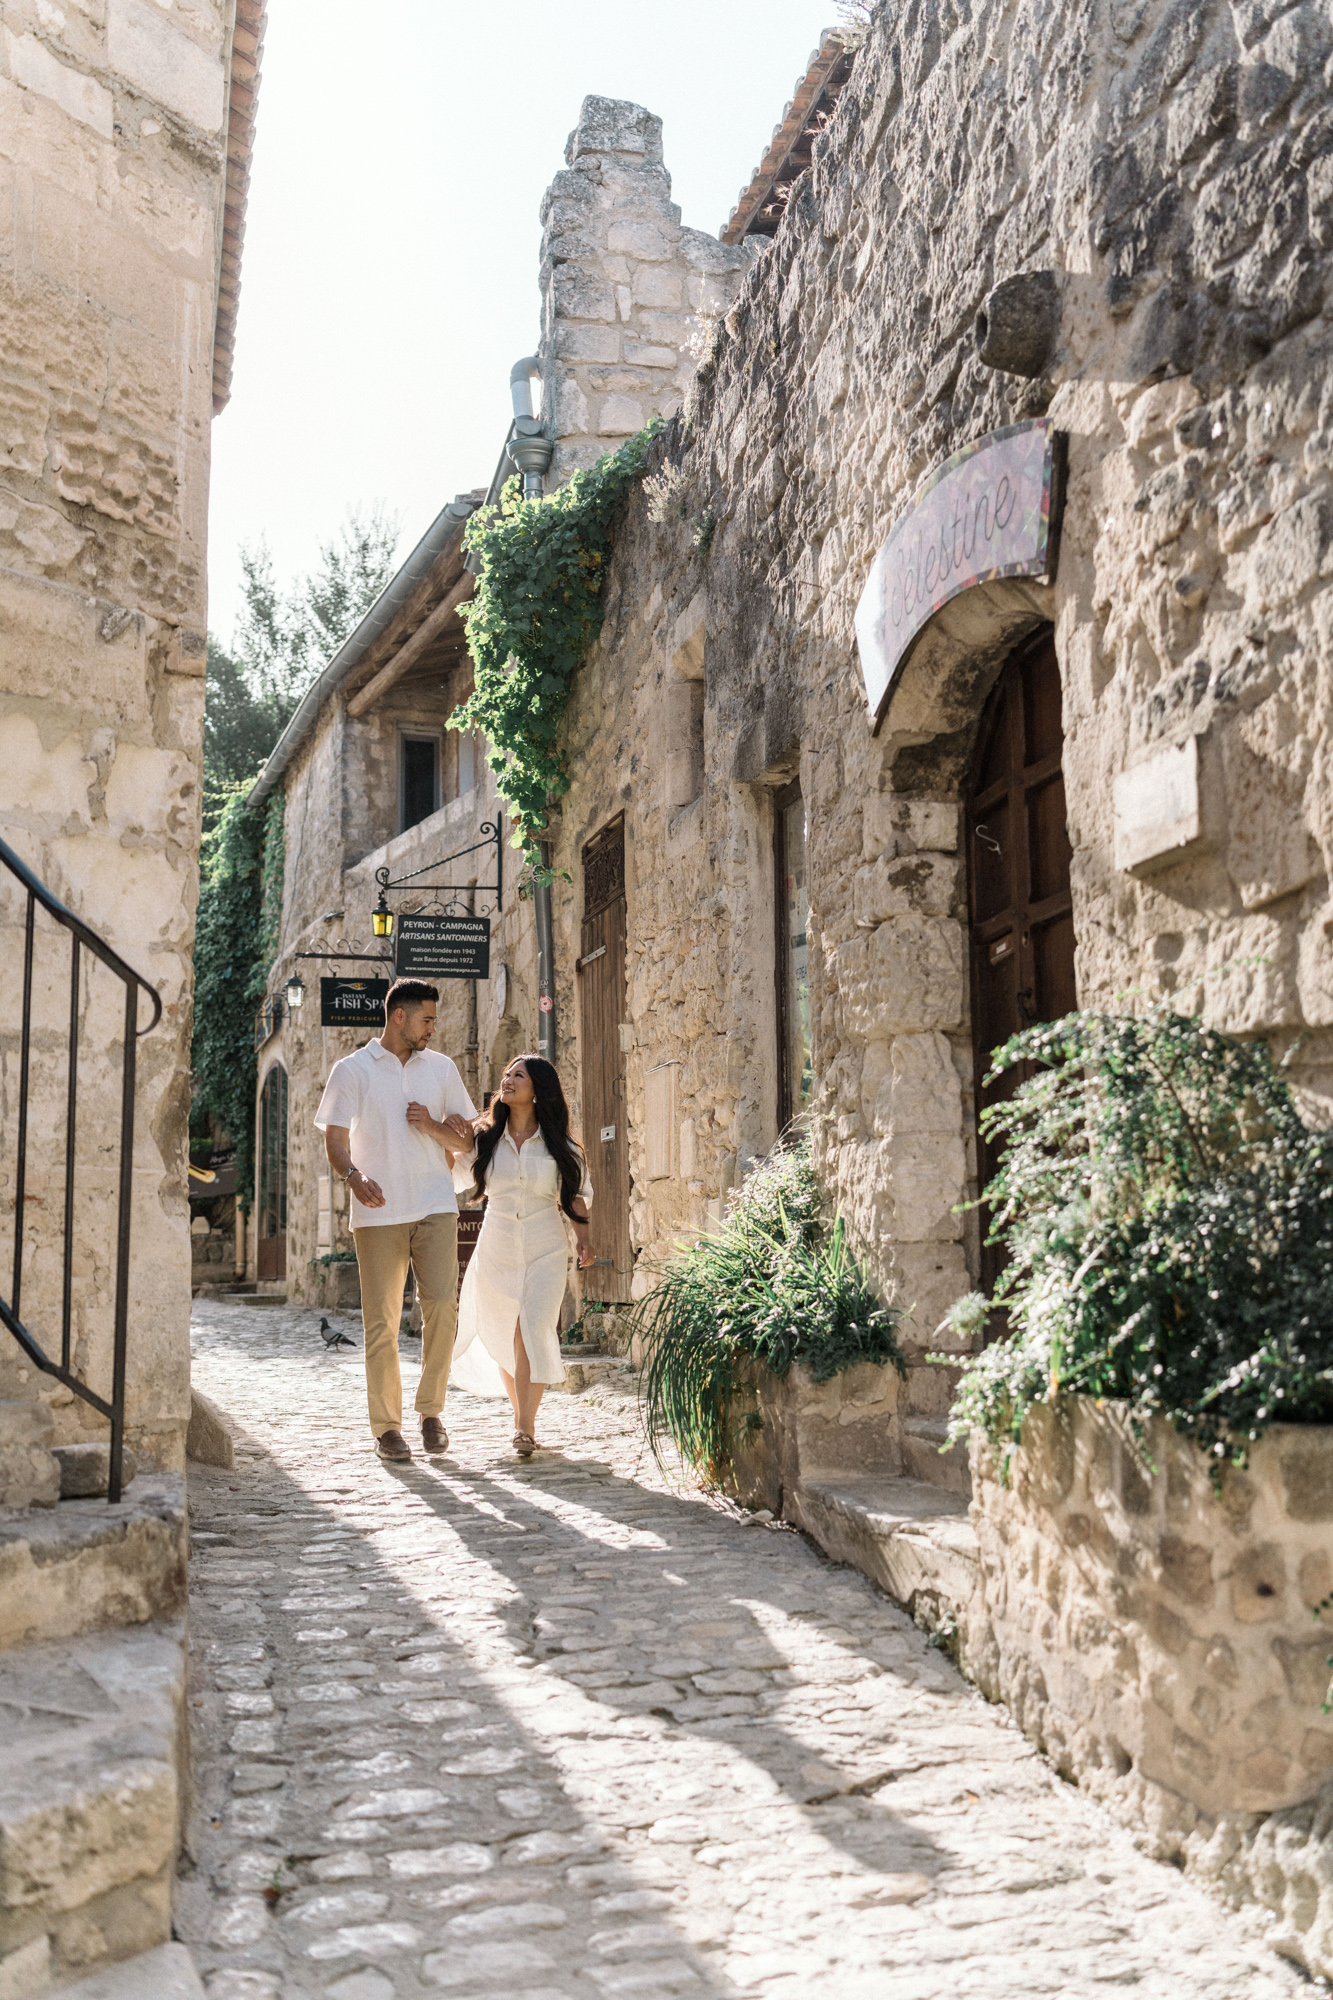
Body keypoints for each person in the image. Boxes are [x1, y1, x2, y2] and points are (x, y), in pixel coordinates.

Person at [315, 978, 477, 1463]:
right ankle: (387, 1427)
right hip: (378, 1211)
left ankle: (431, 1413)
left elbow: (465, 1143)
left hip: (435, 1203)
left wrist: (430, 1125)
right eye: (426, 1019)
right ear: (399, 1017)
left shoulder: (443, 1069)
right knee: (381, 1322)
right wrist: (351, 1174)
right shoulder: (352, 1070)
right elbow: (336, 1137)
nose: (433, 1028)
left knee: (443, 1311)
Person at [450, 1054, 595, 1456]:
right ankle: (521, 1422)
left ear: (538, 1090)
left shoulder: (561, 1146)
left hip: (546, 1246)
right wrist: (437, 1132)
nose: (508, 1080)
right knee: (504, 1331)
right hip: (496, 1244)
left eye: (519, 1075)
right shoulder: (486, 1140)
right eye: (506, 1075)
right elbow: (458, 1175)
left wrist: (584, 1240)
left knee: (532, 1328)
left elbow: (577, 1197)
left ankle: (524, 1427)